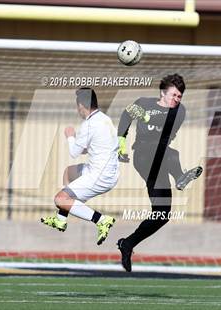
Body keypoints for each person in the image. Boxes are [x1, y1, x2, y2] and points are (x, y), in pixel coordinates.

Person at [116, 73, 203, 272]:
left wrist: (147, 117)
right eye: (173, 95)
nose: (177, 99)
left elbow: (163, 134)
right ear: (163, 92)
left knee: (162, 214)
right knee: (173, 155)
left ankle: (127, 244)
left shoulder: (179, 111)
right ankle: (181, 176)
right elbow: (126, 115)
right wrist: (121, 143)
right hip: (144, 155)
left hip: (161, 159)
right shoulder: (143, 102)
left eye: (180, 96)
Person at [41, 87, 118, 246]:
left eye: (78, 107)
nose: (78, 111)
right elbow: (91, 147)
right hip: (106, 171)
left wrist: (70, 136)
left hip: (99, 176)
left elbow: (74, 152)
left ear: (82, 105)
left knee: (60, 199)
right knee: (69, 173)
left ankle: (101, 220)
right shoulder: (105, 119)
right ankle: (61, 220)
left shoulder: (88, 124)